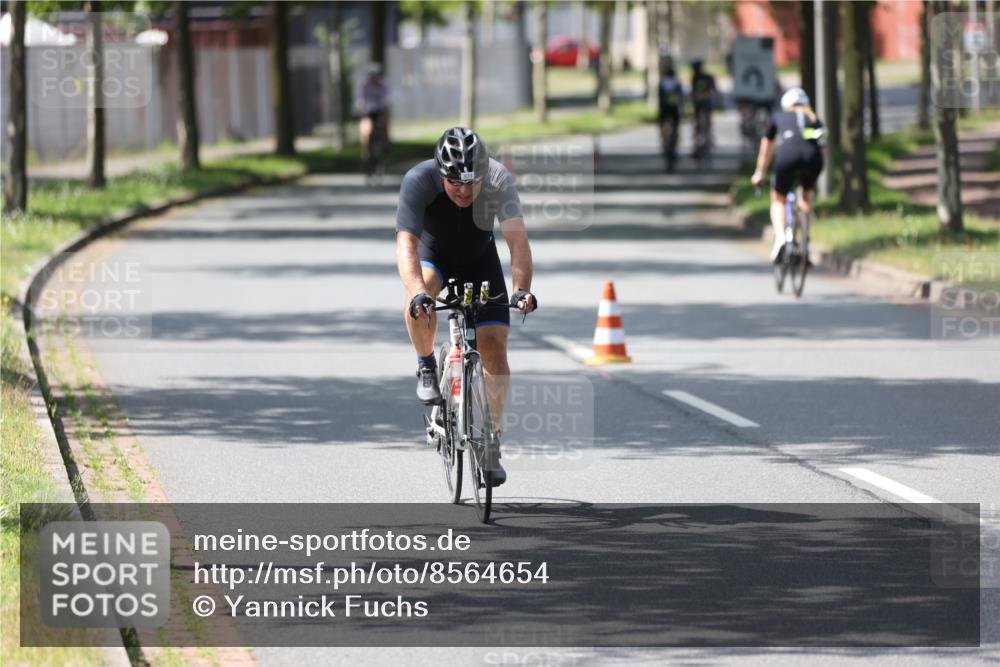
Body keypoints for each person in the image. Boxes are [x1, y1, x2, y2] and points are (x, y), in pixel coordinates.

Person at [395, 128, 538, 486]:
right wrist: (416, 293)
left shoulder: (497, 179)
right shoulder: (418, 180)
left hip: (479, 260)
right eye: (455, 183)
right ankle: (427, 365)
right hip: (435, 257)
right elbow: (407, 246)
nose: (463, 191)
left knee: (494, 347)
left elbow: (517, 242)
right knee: (422, 295)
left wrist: (521, 290)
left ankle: (491, 441)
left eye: (471, 184)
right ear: (441, 173)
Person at [750, 87, 826, 262]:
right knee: (805, 197)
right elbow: (823, 150)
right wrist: (814, 177)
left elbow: (767, 147)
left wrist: (760, 172)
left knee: (778, 199)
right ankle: (805, 242)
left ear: (786, 105)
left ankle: (780, 238)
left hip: (787, 157)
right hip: (812, 159)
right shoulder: (814, 118)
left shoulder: (778, 116)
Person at [356, 62, 391, 176]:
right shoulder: (364, 85)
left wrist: (384, 113)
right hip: (367, 113)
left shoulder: (383, 85)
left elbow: (386, 101)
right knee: (366, 131)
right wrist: (361, 108)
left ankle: (385, 143)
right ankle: (366, 155)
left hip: (379, 112)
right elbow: (360, 100)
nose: (374, 78)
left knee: (384, 124)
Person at [658, 65, 684, 172]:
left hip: (664, 111)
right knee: (676, 129)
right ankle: (674, 143)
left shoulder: (662, 83)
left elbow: (660, 99)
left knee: (663, 128)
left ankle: (664, 142)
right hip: (674, 111)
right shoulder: (677, 83)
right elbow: (681, 99)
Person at [689, 59, 717, 156]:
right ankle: (707, 139)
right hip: (705, 103)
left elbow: (693, 93)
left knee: (698, 124)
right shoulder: (707, 77)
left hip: (701, 104)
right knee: (704, 123)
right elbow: (714, 90)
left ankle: (699, 144)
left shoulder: (695, 78)